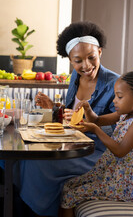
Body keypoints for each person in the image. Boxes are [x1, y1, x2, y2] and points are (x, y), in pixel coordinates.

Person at [16, 22, 120, 216]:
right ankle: (23, 206)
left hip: (97, 153)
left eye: (91, 57)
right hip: (72, 144)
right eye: (78, 61)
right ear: (71, 61)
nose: (86, 66)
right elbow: (71, 117)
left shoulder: (115, 84)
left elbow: (120, 131)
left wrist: (89, 126)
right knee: (22, 156)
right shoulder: (75, 77)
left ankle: (37, 212)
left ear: (100, 51)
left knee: (37, 162)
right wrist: (54, 108)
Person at [60, 68, 133, 216]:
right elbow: (97, 120)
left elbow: (120, 151)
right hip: (111, 173)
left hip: (126, 183)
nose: (114, 100)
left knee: (70, 195)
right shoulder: (124, 114)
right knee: (67, 185)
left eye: (119, 97)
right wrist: (87, 109)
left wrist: (95, 130)